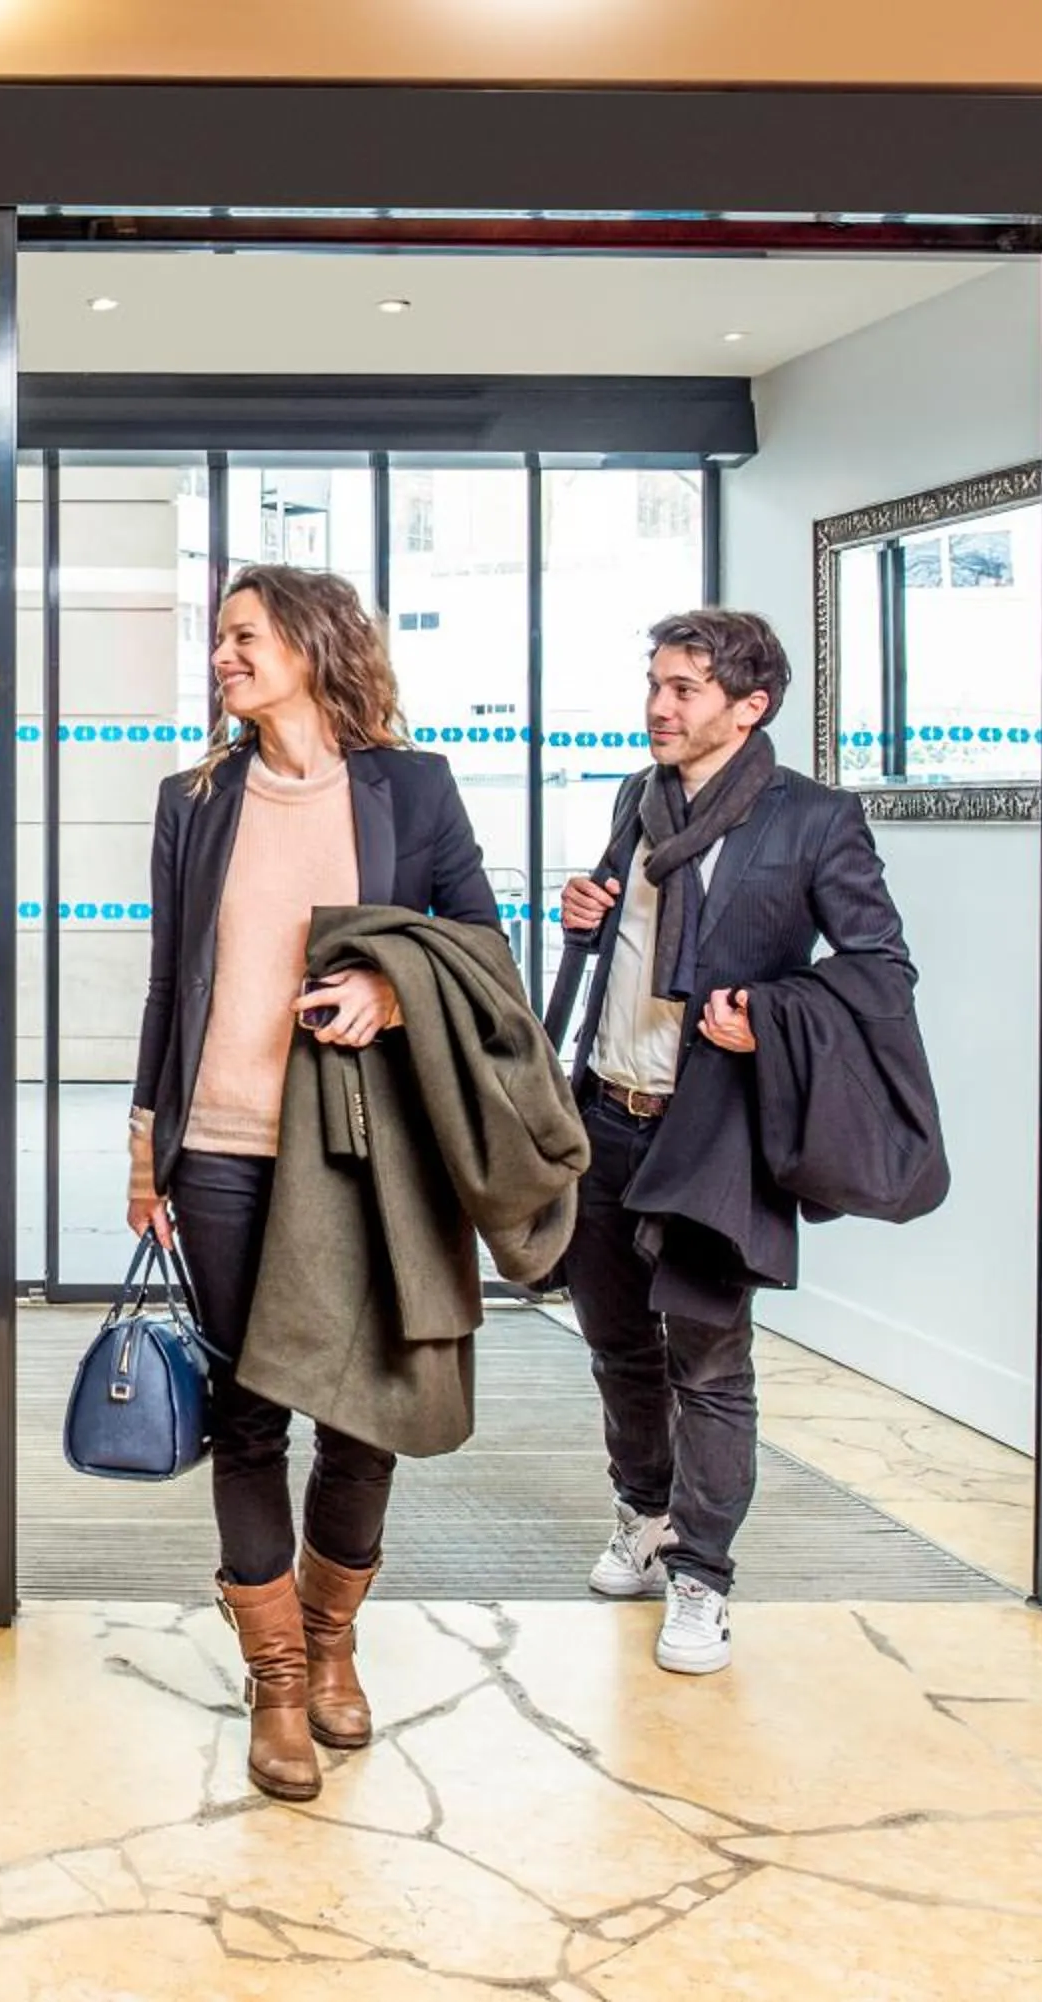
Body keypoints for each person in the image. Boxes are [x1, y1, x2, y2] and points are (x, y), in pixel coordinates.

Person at [128, 564, 501, 1803]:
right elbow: (166, 977)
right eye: (220, 639)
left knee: (364, 1408)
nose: (223, 656)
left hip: (365, 1148)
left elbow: (482, 944)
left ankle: (336, 1641)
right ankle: (279, 1679)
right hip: (224, 1147)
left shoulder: (413, 786)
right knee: (248, 1411)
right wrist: (147, 1139)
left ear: (310, 641)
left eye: (242, 635)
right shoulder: (196, 799)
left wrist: (393, 989)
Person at [554, 609, 913, 1677]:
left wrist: (771, 1012)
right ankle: (646, 1515)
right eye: (654, 683)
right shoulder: (639, 796)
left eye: (685, 689)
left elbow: (880, 968)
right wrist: (582, 913)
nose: (659, 706)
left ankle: (704, 1575)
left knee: (708, 1362)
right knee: (617, 1345)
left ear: (750, 707)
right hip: (606, 1114)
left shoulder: (814, 820)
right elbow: (622, 939)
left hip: (714, 1130)